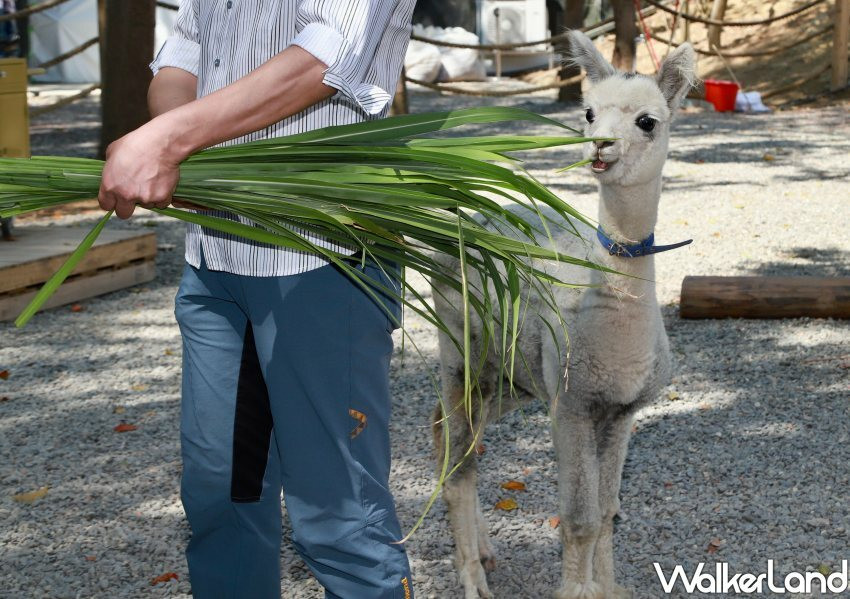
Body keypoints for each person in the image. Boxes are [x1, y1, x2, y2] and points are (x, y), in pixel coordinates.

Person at [96, 1, 416, 597]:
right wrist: (189, 149)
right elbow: (183, 56)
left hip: (320, 255)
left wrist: (167, 139)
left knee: (340, 513)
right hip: (216, 258)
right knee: (224, 494)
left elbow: (325, 57)